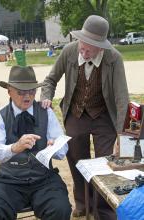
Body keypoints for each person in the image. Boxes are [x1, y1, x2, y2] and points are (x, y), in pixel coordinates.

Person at [40, 15, 129, 220]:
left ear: (101, 47)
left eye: (90, 47)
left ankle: (103, 210)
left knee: (105, 162)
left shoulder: (114, 59)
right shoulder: (69, 51)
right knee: (77, 158)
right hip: (76, 112)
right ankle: (82, 203)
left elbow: (122, 98)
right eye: (83, 43)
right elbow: (50, 80)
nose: (84, 50)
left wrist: (122, 136)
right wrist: (46, 97)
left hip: (104, 114)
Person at [0, 66, 72, 220]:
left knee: (60, 209)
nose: (27, 96)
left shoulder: (46, 111)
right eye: (21, 92)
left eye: (31, 91)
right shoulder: (0, 116)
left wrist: (54, 146)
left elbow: (63, 151)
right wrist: (14, 148)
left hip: (44, 179)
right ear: (9, 91)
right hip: (10, 181)